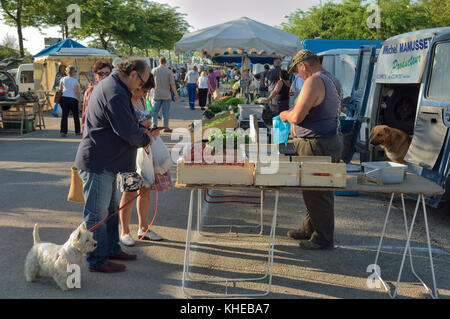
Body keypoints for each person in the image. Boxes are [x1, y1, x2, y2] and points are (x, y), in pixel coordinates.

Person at [74, 58, 155, 273]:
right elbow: (126, 130)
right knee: (97, 215)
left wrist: (141, 132)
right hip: (98, 162)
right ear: (133, 74)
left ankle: (110, 249)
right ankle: (97, 260)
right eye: (142, 81)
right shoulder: (115, 91)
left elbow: (125, 125)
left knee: (109, 210)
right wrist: (145, 138)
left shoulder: (116, 87)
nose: (141, 87)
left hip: (106, 162)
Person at [280, 50, 343, 250]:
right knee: (313, 188)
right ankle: (310, 228)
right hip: (328, 141)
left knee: (318, 190)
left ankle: (323, 237)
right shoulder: (332, 79)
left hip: (316, 144)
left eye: (297, 70)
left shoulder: (314, 81)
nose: (298, 75)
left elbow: (298, 116)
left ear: (303, 66)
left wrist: (284, 115)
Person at [119, 74, 167, 246]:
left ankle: (143, 228)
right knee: (130, 190)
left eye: (146, 91)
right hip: (130, 153)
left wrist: (151, 131)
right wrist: (145, 131)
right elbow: (127, 129)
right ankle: (124, 231)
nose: (143, 93)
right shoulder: (125, 101)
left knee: (145, 188)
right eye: (142, 89)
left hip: (145, 149)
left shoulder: (143, 101)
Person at [81, 60, 112, 134]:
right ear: (95, 75)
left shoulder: (114, 90)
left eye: (107, 73)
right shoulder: (90, 91)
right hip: (95, 132)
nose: (104, 76)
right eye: (101, 74)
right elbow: (86, 113)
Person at [151, 57, 178, 132]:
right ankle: (165, 127)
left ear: (159, 62)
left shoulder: (154, 70)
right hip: (166, 94)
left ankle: (154, 124)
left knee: (155, 110)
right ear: (165, 62)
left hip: (157, 93)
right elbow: (172, 84)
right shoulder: (169, 72)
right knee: (165, 112)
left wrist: (147, 93)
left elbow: (150, 83)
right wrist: (176, 94)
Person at [59, 66, 81, 137]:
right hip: (73, 99)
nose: (76, 73)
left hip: (64, 98)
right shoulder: (75, 81)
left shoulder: (62, 79)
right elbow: (76, 92)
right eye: (75, 71)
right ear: (73, 72)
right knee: (76, 115)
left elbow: (60, 89)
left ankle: (63, 131)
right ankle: (77, 131)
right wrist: (79, 101)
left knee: (64, 115)